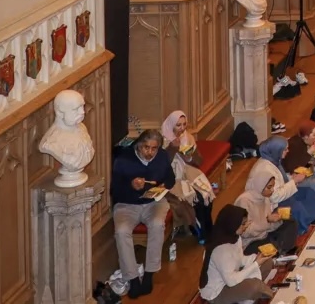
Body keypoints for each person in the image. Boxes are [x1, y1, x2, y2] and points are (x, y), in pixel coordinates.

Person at [112, 129, 177, 298]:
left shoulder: (161, 157)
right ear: (139, 146)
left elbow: (170, 178)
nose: (150, 152)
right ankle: (132, 278)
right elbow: (114, 191)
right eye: (146, 148)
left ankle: (149, 274)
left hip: (153, 203)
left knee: (157, 224)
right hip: (127, 204)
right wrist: (130, 185)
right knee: (121, 231)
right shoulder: (123, 159)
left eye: (154, 148)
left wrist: (164, 186)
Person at [198, 205, 271, 304]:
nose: (246, 226)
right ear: (232, 224)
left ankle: (246, 297)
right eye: (243, 224)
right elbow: (231, 281)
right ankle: (259, 294)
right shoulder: (220, 250)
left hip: (232, 277)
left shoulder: (235, 237)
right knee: (255, 286)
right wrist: (256, 264)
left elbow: (239, 260)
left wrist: (256, 258)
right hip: (218, 292)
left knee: (267, 263)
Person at [161, 110, 215, 242]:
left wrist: (189, 158)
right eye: (178, 125)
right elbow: (162, 165)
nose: (182, 128)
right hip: (172, 178)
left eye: (184, 124)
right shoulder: (161, 140)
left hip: (188, 171)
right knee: (193, 198)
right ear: (171, 125)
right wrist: (173, 148)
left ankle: (209, 227)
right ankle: (199, 231)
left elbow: (199, 161)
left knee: (206, 193)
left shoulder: (188, 137)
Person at [234, 174, 300, 256]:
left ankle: (281, 250)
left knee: (290, 222)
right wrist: (267, 221)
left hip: (265, 234)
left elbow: (268, 225)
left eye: (272, 187)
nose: (272, 190)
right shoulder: (244, 201)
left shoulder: (264, 197)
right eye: (269, 187)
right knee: (268, 248)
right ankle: (279, 251)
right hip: (250, 241)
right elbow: (244, 232)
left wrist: (277, 219)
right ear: (260, 186)